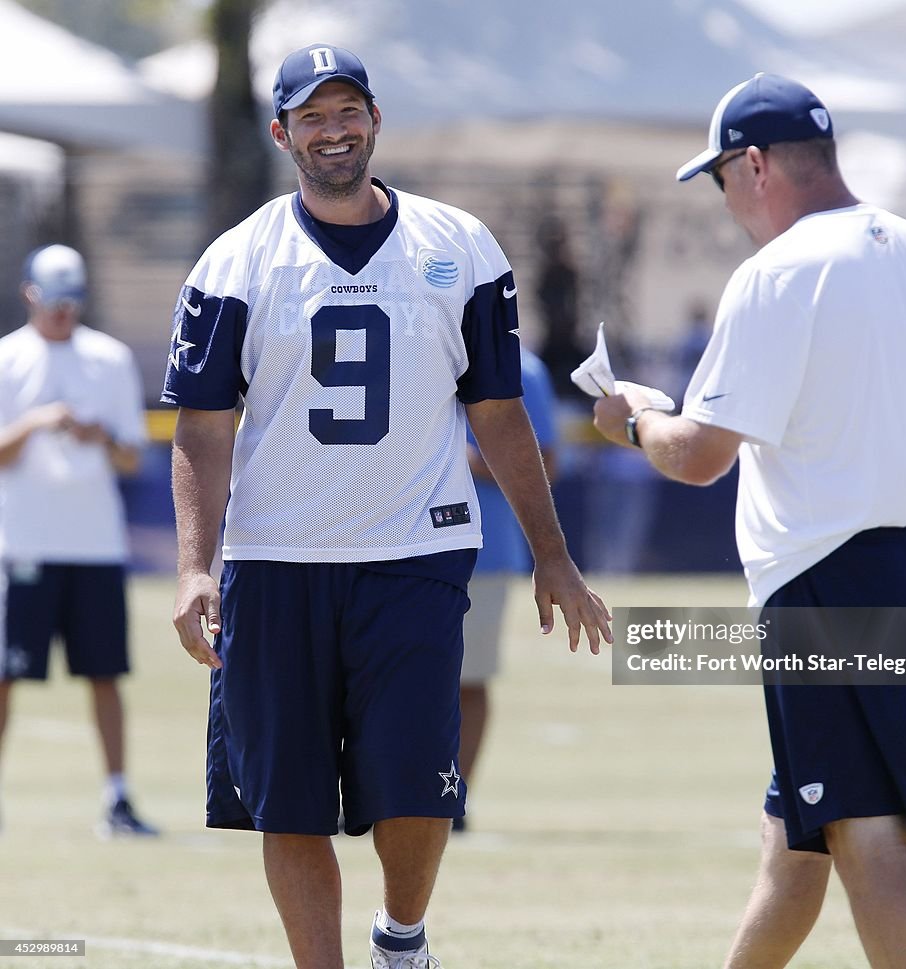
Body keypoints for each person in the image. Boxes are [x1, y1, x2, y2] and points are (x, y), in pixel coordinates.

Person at [163, 43, 611, 969]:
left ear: (375, 119)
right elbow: (202, 428)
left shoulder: (459, 246)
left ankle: (400, 939)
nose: (334, 131)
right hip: (277, 558)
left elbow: (498, 409)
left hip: (415, 553)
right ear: (282, 132)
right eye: (313, 116)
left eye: (348, 111)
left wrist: (552, 554)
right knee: (286, 799)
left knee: (417, 782)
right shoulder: (237, 259)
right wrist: (194, 566)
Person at [593, 73, 906, 969]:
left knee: (865, 832)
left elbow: (700, 455)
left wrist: (632, 418)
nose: (726, 205)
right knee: (796, 838)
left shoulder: (779, 274)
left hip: (832, 580)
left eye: (719, 181)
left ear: (754, 165)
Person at [0, 244, 157, 838]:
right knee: (6, 674)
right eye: (52, 302)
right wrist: (36, 423)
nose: (63, 314)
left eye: (72, 302)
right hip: (24, 543)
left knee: (104, 673)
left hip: (95, 544)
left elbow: (130, 458)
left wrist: (99, 436)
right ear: (29, 295)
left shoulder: (109, 358)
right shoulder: (8, 358)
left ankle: (117, 797)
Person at [459, 346, 557, 831]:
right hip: (396, 541)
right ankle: (372, 791)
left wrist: (467, 459)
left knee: (468, 678)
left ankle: (453, 795)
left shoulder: (521, 367)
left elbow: (547, 460)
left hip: (486, 549)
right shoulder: (410, 337)